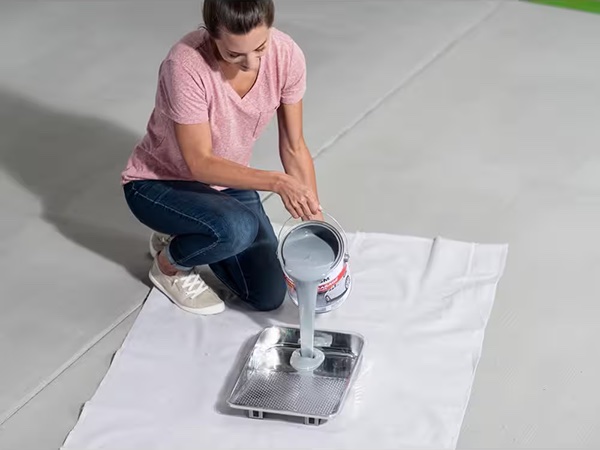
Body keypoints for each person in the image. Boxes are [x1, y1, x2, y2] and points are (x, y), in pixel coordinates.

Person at [121, 0, 322, 316]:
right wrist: (277, 182)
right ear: (211, 35)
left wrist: (316, 227)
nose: (251, 63)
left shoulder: (287, 55)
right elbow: (199, 163)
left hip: (225, 182)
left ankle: (192, 228)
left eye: (260, 47)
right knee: (237, 229)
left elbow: (295, 146)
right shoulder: (185, 66)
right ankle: (169, 265)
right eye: (234, 54)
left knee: (268, 294)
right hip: (160, 183)